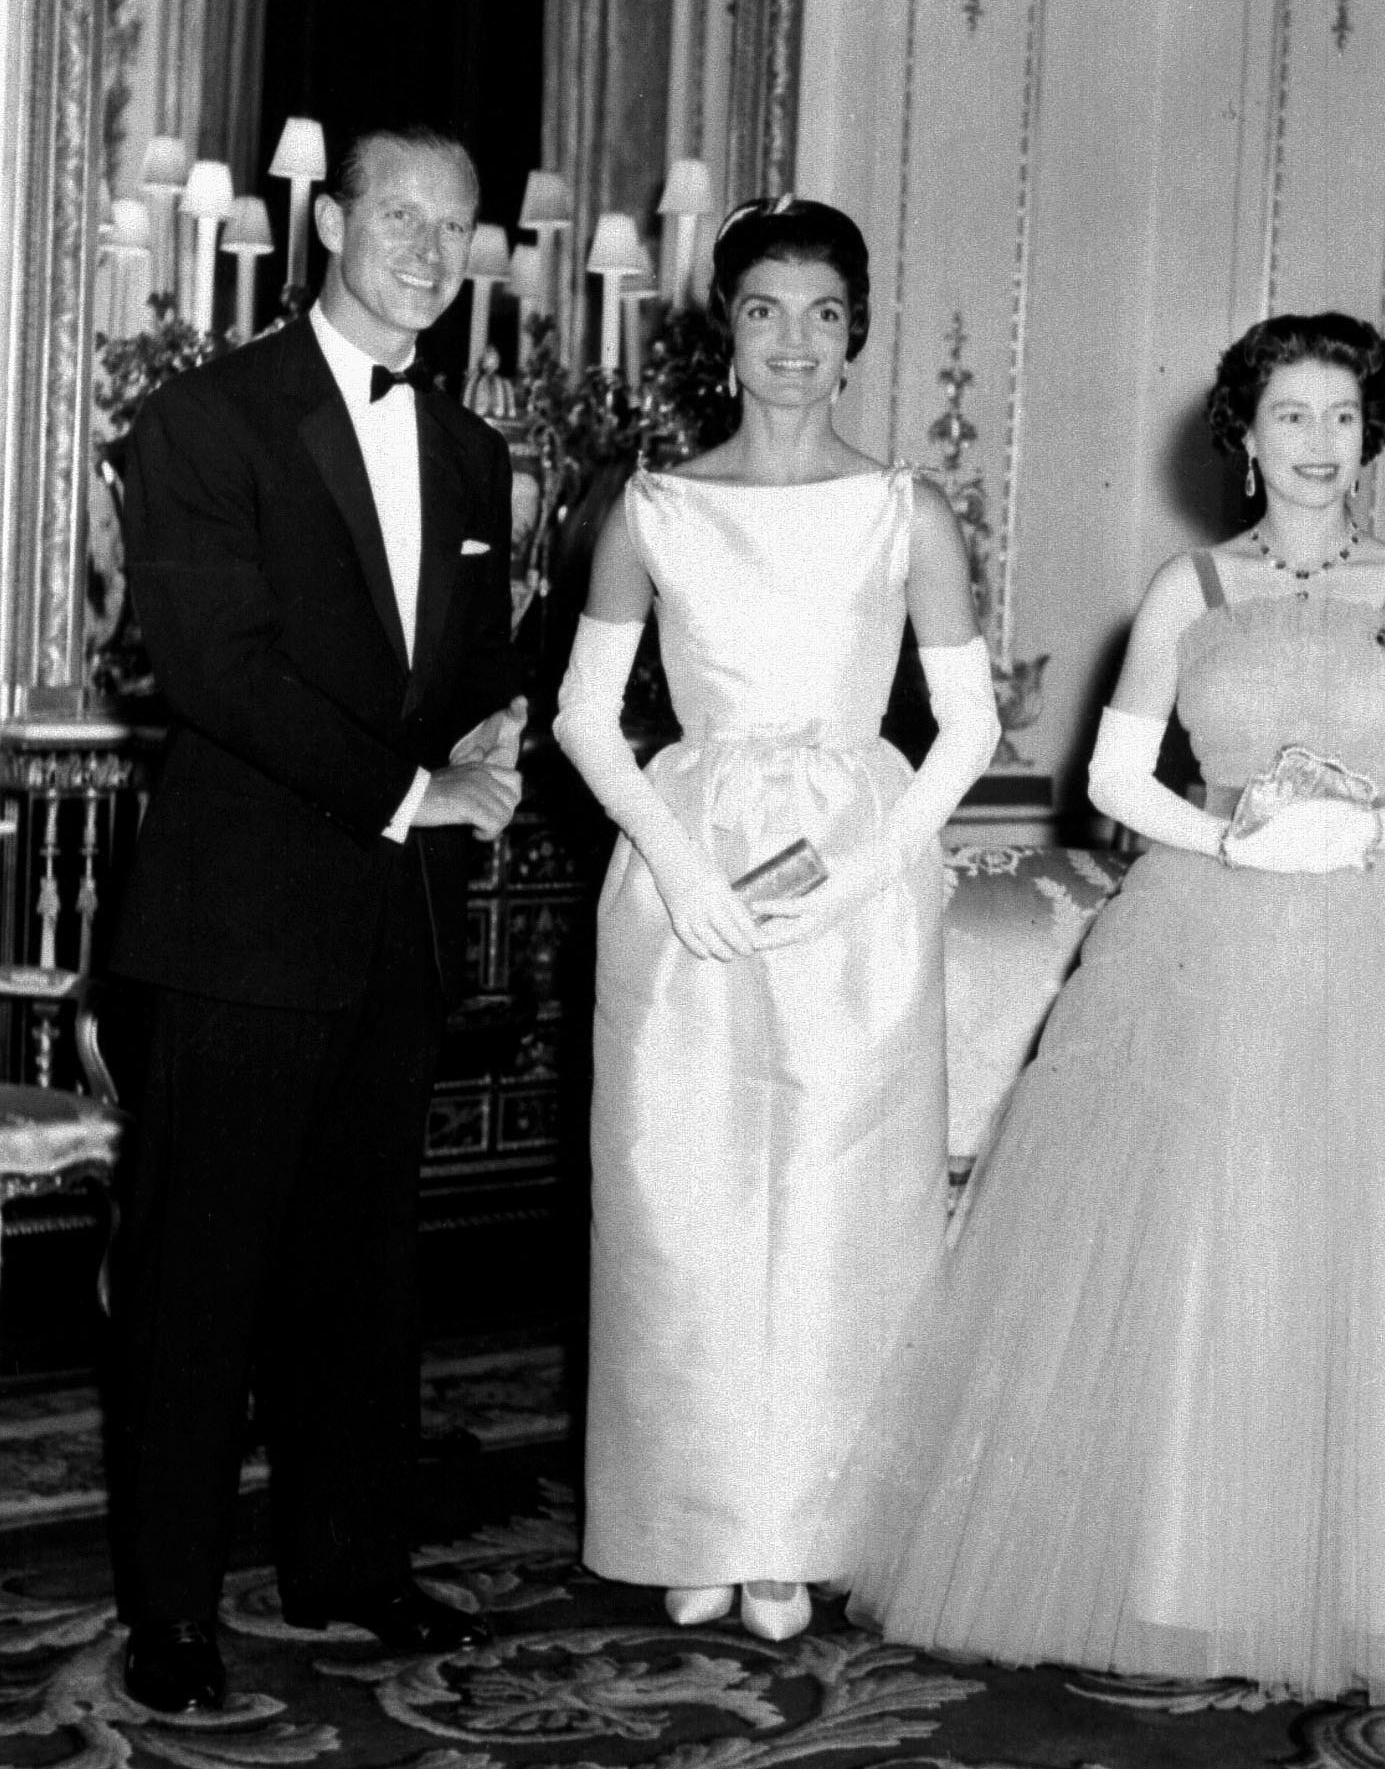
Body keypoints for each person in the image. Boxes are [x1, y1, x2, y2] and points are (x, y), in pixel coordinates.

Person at [820, 312, 1385, 1705]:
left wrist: (1362, 829)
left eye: (1341, 415)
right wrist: (1232, 838)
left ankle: (1372, 1583)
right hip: (1205, 944)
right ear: (1245, 434)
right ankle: (1186, 1577)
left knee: (1369, 1256)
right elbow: (1108, 777)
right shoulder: (1188, 589)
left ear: (1370, 432)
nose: (1317, 444)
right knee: (1213, 1243)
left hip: (1372, 947)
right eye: (1291, 415)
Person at [106, 127, 526, 1712]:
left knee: (363, 1270)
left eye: (454, 224)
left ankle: (349, 1562)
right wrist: (413, 791)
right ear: (331, 221)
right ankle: (171, 1611)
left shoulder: (476, 453)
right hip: (236, 926)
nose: (427, 245)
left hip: (392, 926)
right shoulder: (206, 417)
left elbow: (470, 665)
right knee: (199, 1280)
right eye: (397, 213)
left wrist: (492, 737)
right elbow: (220, 669)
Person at [553, 195, 999, 1644]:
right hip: (687, 875)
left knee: (832, 1213)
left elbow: (968, 727)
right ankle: (697, 1510)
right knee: (681, 1200)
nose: (792, 343)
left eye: (821, 314)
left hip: (852, 880)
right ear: (725, 331)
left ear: (853, 334)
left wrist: (858, 872)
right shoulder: (655, 506)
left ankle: (800, 1532)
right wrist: (684, 873)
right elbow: (581, 716)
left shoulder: (901, 509)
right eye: (763, 311)